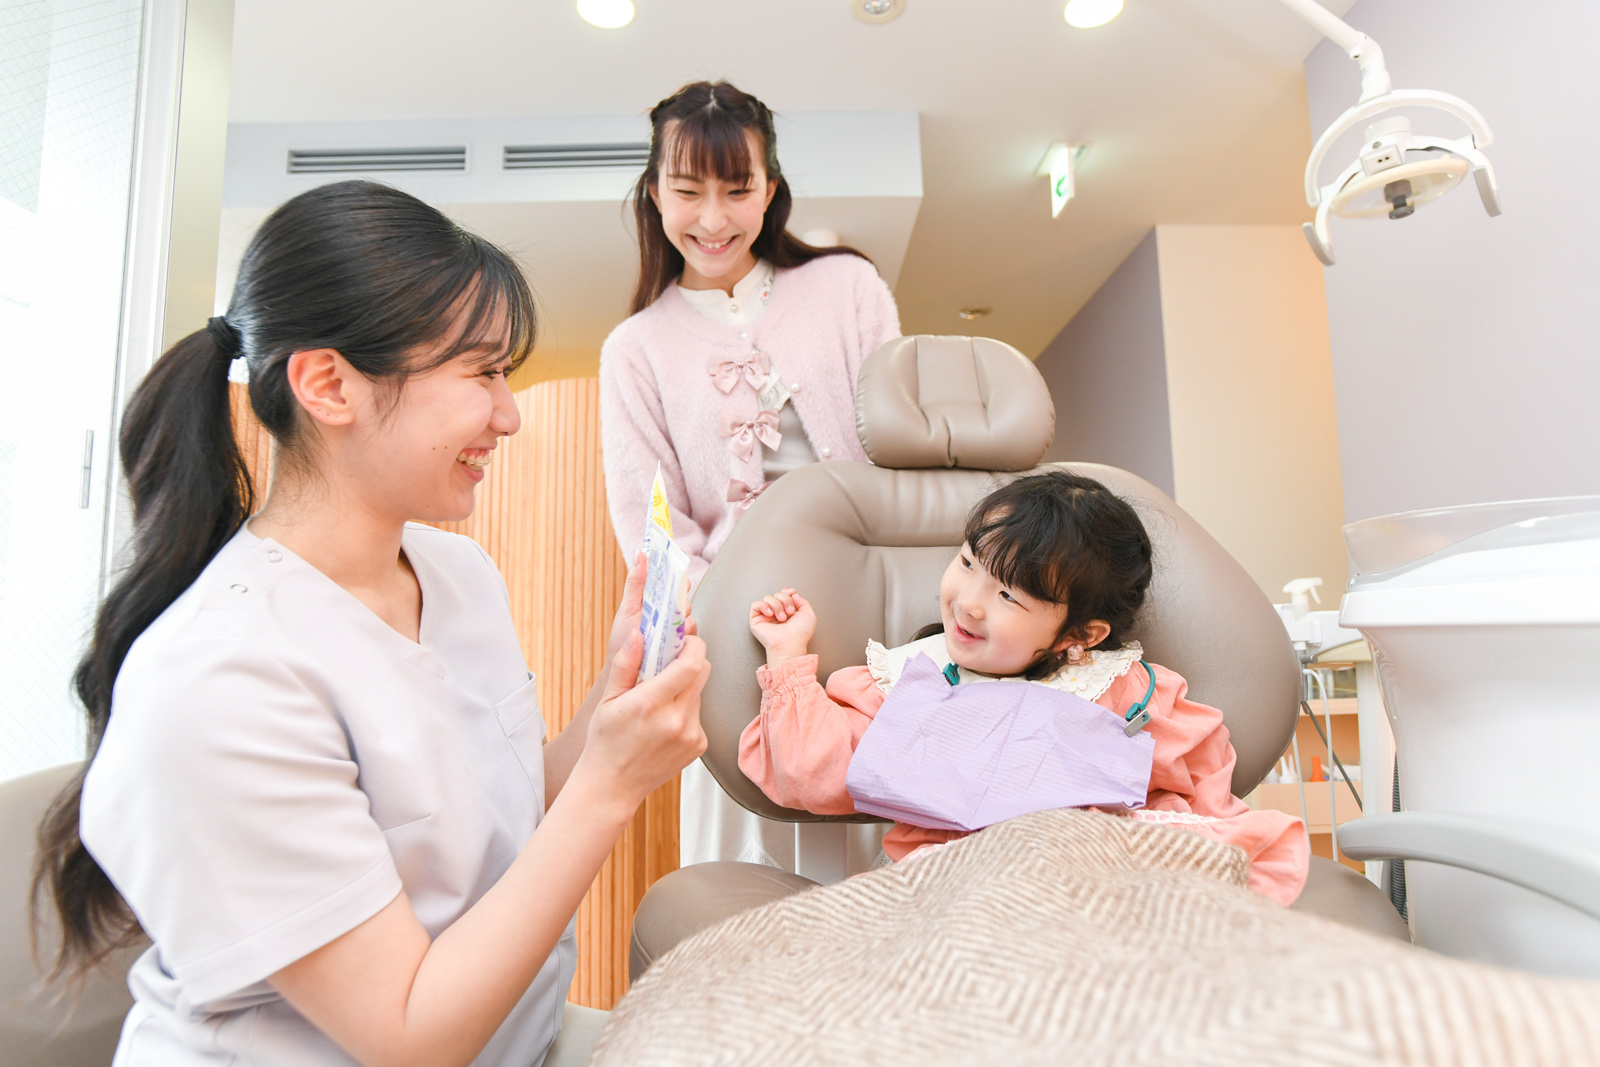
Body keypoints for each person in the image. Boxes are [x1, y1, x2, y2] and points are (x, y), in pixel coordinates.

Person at [32, 180, 710, 1067]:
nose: (509, 415)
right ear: (329, 385)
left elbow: (496, 827)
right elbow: (409, 1036)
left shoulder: (458, 575)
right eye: (482, 372)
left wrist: (613, 694)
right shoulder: (217, 678)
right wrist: (613, 786)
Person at [739, 471, 1310, 905]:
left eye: (1009, 596)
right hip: (959, 888)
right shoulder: (907, 684)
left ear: (1081, 635)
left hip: (1096, 881)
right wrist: (788, 654)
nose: (969, 603)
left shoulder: (1116, 690)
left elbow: (1193, 779)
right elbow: (807, 770)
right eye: (968, 562)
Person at [599, 80, 901, 871]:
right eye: (687, 190)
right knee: (751, 873)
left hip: (874, 624)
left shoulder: (849, 288)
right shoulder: (635, 349)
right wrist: (732, 638)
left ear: (771, 189)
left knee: (880, 842)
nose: (713, 218)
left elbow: (898, 454)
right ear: (653, 193)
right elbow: (655, 534)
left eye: (738, 189)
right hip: (735, 641)